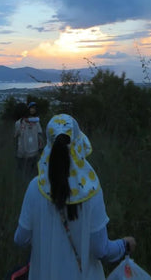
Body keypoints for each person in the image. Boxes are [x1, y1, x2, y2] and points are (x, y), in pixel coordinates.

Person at [14, 113, 136, 279]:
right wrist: (125, 245)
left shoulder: (36, 187)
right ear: (78, 143)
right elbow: (101, 250)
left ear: (49, 145)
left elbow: (21, 239)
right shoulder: (91, 189)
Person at [14, 101, 44, 177]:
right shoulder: (36, 121)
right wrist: (41, 149)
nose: (33, 110)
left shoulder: (18, 123)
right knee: (34, 174)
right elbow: (40, 135)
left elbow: (15, 136)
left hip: (22, 153)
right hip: (34, 152)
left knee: (24, 174)